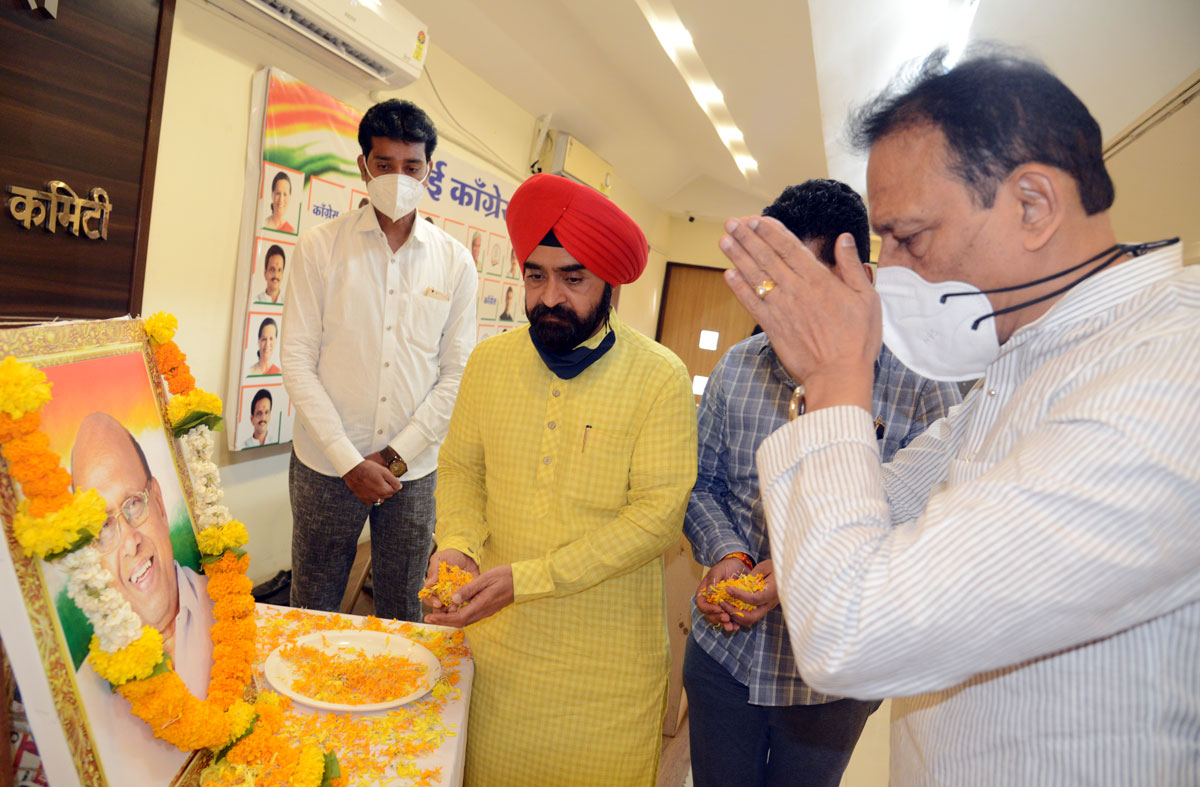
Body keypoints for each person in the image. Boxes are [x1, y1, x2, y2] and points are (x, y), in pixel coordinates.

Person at [718, 50, 1200, 784]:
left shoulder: (1167, 376)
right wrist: (798, 561)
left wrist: (836, 372)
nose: (892, 275)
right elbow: (898, 490)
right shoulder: (1033, 353)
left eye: (909, 237)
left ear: (1033, 206)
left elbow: (851, 633)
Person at [683, 180, 961, 787]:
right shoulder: (738, 364)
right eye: (770, 287)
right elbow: (703, 484)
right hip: (723, 659)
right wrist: (725, 553)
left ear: (857, 277)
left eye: (803, 285)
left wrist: (804, 570)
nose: (781, 308)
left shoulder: (921, 383)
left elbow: (928, 520)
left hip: (830, 683)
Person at [424, 173, 697, 786]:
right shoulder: (489, 362)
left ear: (609, 285)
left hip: (606, 674)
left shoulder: (660, 376)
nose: (550, 296)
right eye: (536, 275)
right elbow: (463, 468)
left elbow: (656, 518)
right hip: (497, 657)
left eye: (573, 278)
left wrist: (530, 579)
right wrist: (457, 544)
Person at [281, 98, 477, 622]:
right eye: (384, 164)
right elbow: (297, 360)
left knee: (404, 611)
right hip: (325, 465)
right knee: (312, 608)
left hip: (411, 471)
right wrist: (349, 460)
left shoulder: (455, 262)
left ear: (429, 170)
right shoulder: (321, 247)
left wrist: (393, 457)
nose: (398, 177)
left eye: (411, 167)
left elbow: (456, 373)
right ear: (362, 164)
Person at [69, 412, 213, 785]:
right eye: (103, 527)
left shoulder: (231, 610)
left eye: (133, 504)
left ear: (160, 503)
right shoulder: (79, 703)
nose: (130, 539)